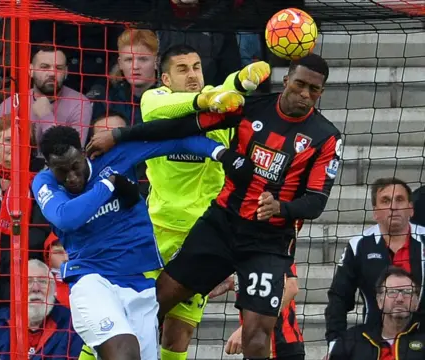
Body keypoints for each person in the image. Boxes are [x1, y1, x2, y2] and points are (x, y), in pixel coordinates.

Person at [87, 53, 341, 360]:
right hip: (221, 225)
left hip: (268, 242)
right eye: (299, 84)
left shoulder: (326, 137)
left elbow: (316, 201)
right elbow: (180, 128)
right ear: (287, 81)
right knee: (156, 301)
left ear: (321, 92)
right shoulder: (250, 108)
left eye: (314, 90)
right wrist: (118, 135)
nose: (304, 94)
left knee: (257, 338)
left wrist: (281, 208)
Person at [32, 125, 241, 360]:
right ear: (49, 167)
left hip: (138, 284)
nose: (71, 178)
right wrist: (110, 183)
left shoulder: (115, 156)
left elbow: (176, 142)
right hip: (92, 280)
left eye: (75, 167)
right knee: (124, 350)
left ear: (83, 153)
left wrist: (222, 153)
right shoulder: (44, 183)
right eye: (62, 172)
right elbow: (67, 217)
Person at [133, 44, 270, 360]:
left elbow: (230, 88)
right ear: (165, 77)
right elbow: (157, 111)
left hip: (200, 237)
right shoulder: (155, 99)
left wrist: (244, 79)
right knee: (132, 321)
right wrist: (205, 99)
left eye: (196, 67)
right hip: (153, 234)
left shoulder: (219, 101)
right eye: (182, 69)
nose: (192, 74)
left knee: (178, 333)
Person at [325, 177, 425, 351]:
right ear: (375, 212)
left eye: (399, 200)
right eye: (385, 201)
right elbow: (339, 299)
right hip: (374, 343)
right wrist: (335, 344)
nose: (393, 207)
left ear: (411, 209)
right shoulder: (359, 245)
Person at [329, 266, 424, 360]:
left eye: (407, 292)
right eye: (392, 292)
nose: (399, 299)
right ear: (379, 301)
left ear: (416, 303)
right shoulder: (351, 341)